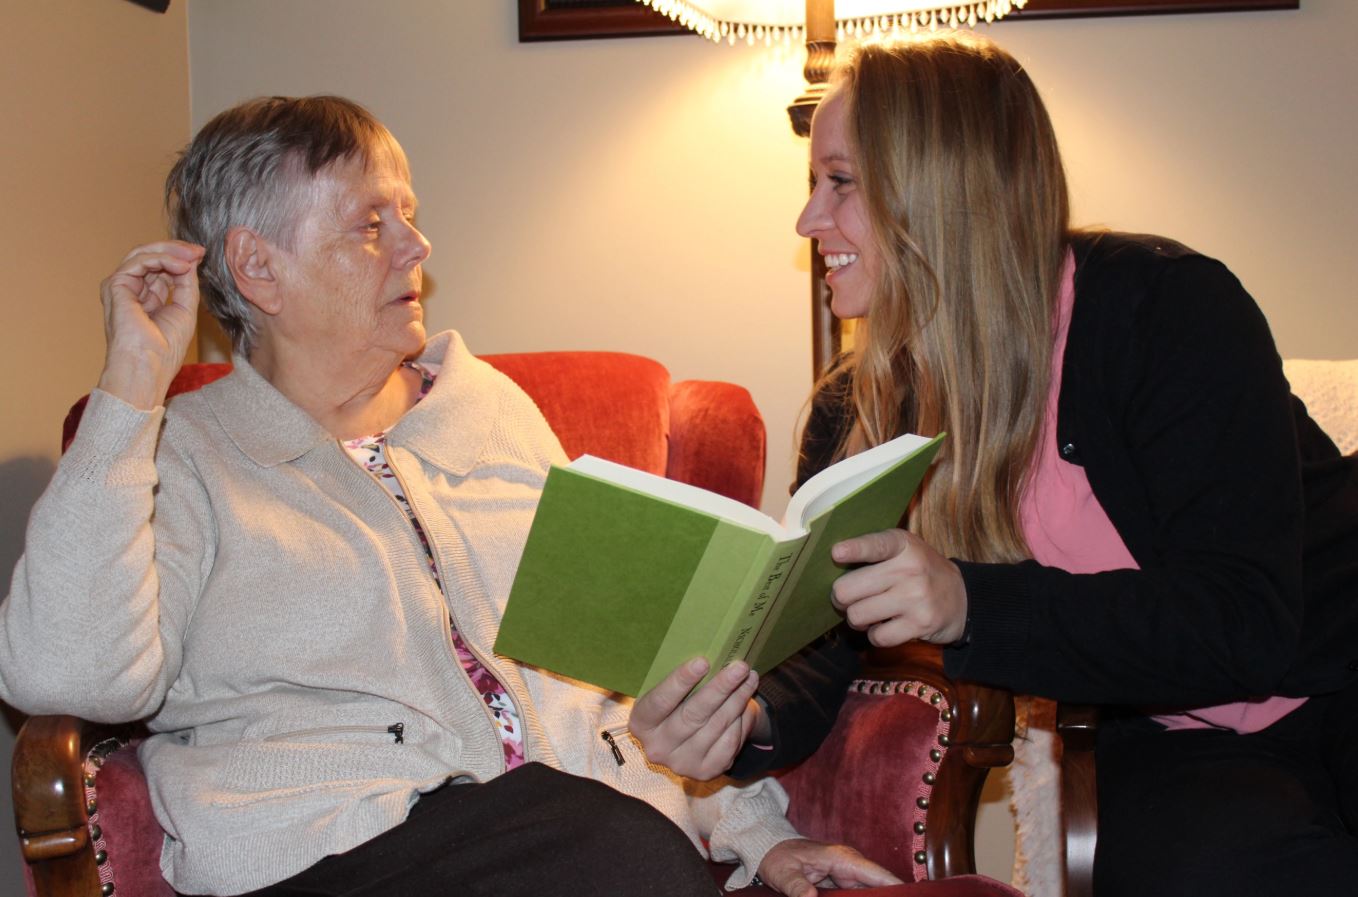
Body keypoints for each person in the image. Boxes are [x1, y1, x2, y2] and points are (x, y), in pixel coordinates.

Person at [0, 95, 900, 897]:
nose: (417, 246)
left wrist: (760, 839)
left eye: (411, 215)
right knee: (612, 847)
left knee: (613, 843)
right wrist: (128, 393)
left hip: (572, 838)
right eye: (369, 225)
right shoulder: (186, 454)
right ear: (258, 269)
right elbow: (63, 675)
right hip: (330, 851)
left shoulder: (487, 411)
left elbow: (608, 677)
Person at [630, 34, 1358, 897]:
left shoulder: (1166, 311)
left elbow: (1245, 620)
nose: (807, 221)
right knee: (1208, 867)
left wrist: (974, 602)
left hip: (1338, 663)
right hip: (1167, 735)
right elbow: (822, 646)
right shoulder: (854, 410)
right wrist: (741, 721)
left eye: (840, 183)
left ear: (939, 187)